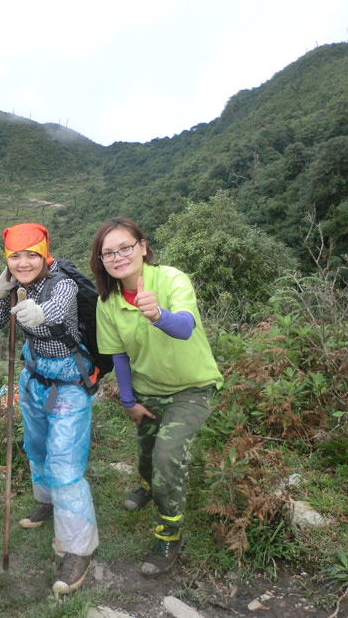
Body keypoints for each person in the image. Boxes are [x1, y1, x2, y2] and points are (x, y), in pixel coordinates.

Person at [90, 216, 222, 578]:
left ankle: (169, 531)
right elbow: (118, 356)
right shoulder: (109, 303)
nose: (118, 257)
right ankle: (147, 486)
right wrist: (129, 401)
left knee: (167, 456)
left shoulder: (172, 279)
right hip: (148, 390)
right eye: (108, 253)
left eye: (125, 248)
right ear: (101, 262)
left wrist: (158, 314)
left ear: (143, 247)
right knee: (147, 454)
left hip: (191, 388)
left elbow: (184, 326)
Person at [0, 222, 99, 596]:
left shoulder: (61, 282)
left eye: (31, 255)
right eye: (15, 256)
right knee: (36, 447)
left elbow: (56, 309)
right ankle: (48, 504)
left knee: (65, 464)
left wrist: (38, 310)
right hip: (35, 379)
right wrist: (1, 294)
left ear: (45, 254)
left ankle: (78, 547)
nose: (22, 263)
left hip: (69, 384)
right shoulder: (18, 283)